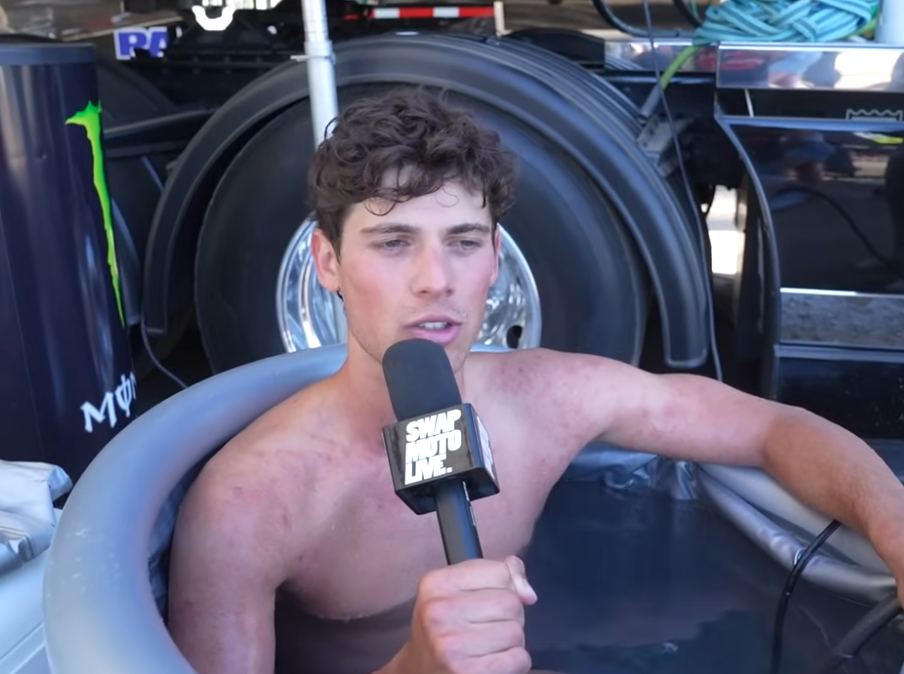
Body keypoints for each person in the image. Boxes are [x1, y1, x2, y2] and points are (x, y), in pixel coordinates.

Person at [166, 86, 904, 674]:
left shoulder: (544, 398)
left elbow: (771, 428)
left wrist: (895, 527)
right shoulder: (251, 500)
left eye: (463, 242)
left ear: (496, 258)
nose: (435, 280)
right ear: (327, 262)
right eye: (393, 242)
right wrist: (413, 667)